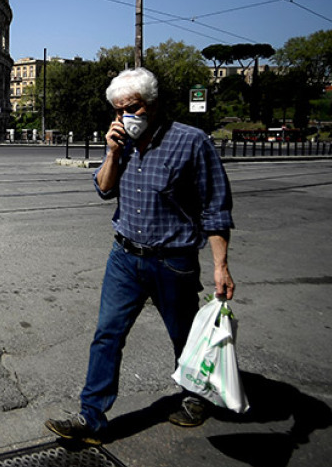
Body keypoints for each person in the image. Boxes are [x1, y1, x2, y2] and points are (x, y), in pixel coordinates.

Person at [46, 67, 235, 444]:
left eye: (130, 109)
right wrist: (113, 152)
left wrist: (221, 266)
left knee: (184, 335)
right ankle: (91, 419)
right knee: (107, 334)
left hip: (173, 261)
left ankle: (196, 395)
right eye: (117, 111)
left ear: (151, 106)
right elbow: (103, 189)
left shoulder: (191, 142)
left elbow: (216, 208)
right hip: (124, 256)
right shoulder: (120, 143)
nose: (123, 118)